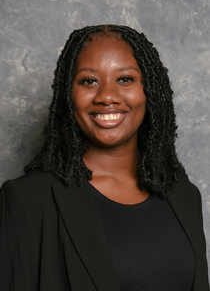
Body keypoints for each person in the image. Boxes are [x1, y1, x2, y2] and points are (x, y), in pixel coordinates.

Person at [0, 24, 209, 291]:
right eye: (89, 81)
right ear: (68, 94)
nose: (107, 96)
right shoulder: (28, 200)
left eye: (125, 79)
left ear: (150, 91)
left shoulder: (183, 194)